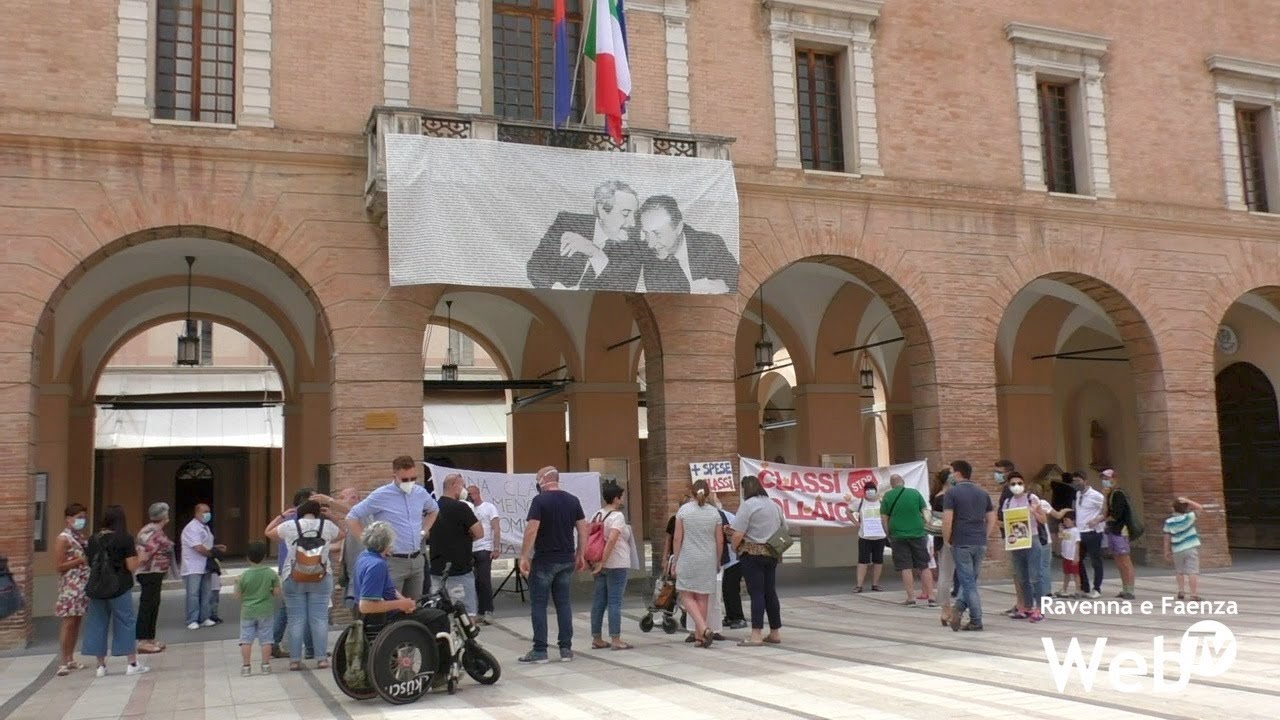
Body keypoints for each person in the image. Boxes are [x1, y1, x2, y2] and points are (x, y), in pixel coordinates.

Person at [517, 466, 587, 664]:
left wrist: (524, 556)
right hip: (566, 560)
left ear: (543, 480)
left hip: (545, 560)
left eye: (537, 478)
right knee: (563, 604)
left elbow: (532, 529)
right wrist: (581, 554)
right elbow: (583, 529)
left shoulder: (540, 501)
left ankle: (540, 650)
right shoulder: (573, 500)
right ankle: (566, 649)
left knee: (539, 605)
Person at [346, 456, 440, 600]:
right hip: (392, 561)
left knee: (414, 608)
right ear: (394, 476)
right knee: (391, 608)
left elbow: (434, 509)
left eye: (413, 478)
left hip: (416, 558)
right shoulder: (381, 494)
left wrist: (424, 530)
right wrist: (370, 544)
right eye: (405, 479)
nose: (409, 482)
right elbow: (352, 516)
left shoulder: (420, 492)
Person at [267, 499, 344, 671]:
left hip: (293, 576)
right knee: (319, 619)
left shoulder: (290, 526)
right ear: (318, 512)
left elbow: (268, 533)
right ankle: (321, 659)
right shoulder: (327, 527)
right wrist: (332, 517)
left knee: (296, 619)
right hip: (321, 576)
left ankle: (294, 660)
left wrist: (281, 516)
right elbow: (343, 534)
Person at [526, 180, 645, 291]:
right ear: (602, 210)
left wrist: (596, 253)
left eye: (635, 215)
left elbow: (623, 290)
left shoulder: (635, 245)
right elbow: (535, 268)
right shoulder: (567, 222)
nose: (633, 223)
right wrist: (560, 290)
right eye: (625, 214)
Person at [82, 505, 149, 677]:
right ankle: (131, 663)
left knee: (97, 624)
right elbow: (131, 566)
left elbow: (89, 562)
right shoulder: (124, 539)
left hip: (97, 588)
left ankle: (100, 666)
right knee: (126, 623)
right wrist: (141, 558)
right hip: (119, 587)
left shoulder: (93, 539)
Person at [637, 194, 739, 294]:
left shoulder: (710, 244)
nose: (650, 244)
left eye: (657, 234)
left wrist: (726, 288)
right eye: (646, 233)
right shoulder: (651, 259)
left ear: (678, 228)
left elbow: (739, 283)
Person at [730, 475, 784, 647]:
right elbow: (785, 528)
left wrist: (734, 547)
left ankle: (756, 635)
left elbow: (738, 533)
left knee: (757, 593)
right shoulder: (774, 505)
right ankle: (775, 632)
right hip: (772, 553)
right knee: (770, 592)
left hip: (752, 555)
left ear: (746, 489)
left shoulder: (748, 506)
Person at [942, 460, 995, 632]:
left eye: (951, 471)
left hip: (961, 541)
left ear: (957, 473)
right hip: (979, 541)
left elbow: (947, 519)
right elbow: (991, 519)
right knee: (970, 580)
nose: (949, 475)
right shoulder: (982, 493)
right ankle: (958, 607)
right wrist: (984, 535)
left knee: (968, 583)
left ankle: (976, 619)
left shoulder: (952, 493)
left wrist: (946, 539)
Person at [672, 480, 723, 648]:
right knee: (703, 597)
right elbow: (719, 540)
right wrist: (718, 560)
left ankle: (702, 629)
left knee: (686, 594)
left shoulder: (683, 511)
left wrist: (676, 560)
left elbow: (678, 538)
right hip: (708, 559)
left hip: (688, 557)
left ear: (692, 493)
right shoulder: (715, 513)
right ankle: (700, 636)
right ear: (708, 493)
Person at [427, 473, 483, 617]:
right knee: (465, 615)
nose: (465, 490)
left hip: (437, 569)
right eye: (463, 486)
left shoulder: (433, 508)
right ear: (454, 486)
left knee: (438, 613)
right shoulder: (461, 508)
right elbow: (479, 532)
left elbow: (426, 534)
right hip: (459, 571)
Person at [589, 483, 634, 651]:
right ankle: (616, 639)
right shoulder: (617, 517)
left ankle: (597, 638)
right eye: (622, 496)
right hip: (616, 563)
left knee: (599, 601)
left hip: (599, 564)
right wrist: (603, 560)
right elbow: (613, 539)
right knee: (615, 601)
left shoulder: (597, 515)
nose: (623, 499)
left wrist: (597, 562)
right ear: (616, 498)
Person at [880, 474, 935, 607]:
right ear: (903, 482)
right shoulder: (915, 493)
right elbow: (926, 512)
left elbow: (883, 519)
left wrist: (888, 534)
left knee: (905, 567)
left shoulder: (887, 496)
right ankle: (932, 597)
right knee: (924, 566)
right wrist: (927, 528)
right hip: (918, 533)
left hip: (898, 536)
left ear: (892, 484)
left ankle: (911, 598)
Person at [1001, 472, 1048, 623]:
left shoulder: (1032, 499)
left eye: (1019, 483)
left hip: (1032, 539)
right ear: (1009, 486)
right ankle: (1027, 607)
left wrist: (1034, 511)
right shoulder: (1007, 502)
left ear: (1024, 484)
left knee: (1036, 575)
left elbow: (1043, 519)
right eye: (1013, 483)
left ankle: (1040, 608)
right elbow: (1003, 523)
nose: (1017, 486)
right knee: (1021, 576)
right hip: (1016, 541)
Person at [235, 541, 281, 676]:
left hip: (247, 611)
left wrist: (239, 587)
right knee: (266, 639)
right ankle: (266, 665)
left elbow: (237, 596)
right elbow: (277, 592)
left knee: (246, 640)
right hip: (266, 610)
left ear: (248, 557)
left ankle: (246, 667)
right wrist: (269, 591)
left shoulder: (243, 576)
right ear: (265, 556)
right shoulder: (271, 574)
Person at [53, 503, 90, 676]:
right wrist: (78, 561)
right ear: (69, 519)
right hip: (70, 585)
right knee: (68, 622)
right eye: (78, 517)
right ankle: (62, 661)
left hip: (82, 584)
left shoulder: (80, 537)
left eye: (83, 517)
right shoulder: (63, 538)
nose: (82, 520)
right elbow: (59, 565)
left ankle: (71, 657)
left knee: (77, 622)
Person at [134, 502, 175, 655]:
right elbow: (145, 552)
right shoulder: (150, 531)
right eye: (166, 512)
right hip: (148, 572)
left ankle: (150, 637)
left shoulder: (158, 530)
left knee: (154, 604)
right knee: (147, 604)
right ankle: (142, 640)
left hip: (156, 572)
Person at [180, 503, 224, 630]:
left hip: (205, 565)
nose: (207, 514)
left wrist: (216, 548)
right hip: (193, 566)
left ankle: (204, 618)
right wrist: (212, 554)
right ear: (197, 513)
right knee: (193, 594)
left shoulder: (205, 527)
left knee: (206, 592)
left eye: (208, 511)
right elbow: (198, 547)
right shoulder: (192, 528)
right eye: (204, 511)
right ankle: (192, 619)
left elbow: (207, 544)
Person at [709, 492, 744, 633]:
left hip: (732, 557)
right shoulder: (723, 515)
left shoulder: (722, 516)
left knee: (731, 589)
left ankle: (738, 617)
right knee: (726, 588)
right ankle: (730, 616)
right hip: (729, 557)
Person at [1100, 468, 1138, 599]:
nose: (1105, 481)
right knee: (1118, 560)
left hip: (1120, 531)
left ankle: (1131, 589)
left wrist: (1105, 518)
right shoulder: (1109, 494)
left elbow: (1115, 514)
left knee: (1125, 560)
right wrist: (1105, 497)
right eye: (1103, 479)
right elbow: (1105, 512)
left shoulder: (1119, 494)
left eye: (1107, 479)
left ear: (1114, 479)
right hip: (1112, 530)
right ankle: (1124, 588)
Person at [467, 484, 501, 625]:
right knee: (472, 582)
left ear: (478, 493)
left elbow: (496, 528)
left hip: (484, 548)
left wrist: (496, 547)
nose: (471, 497)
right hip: (470, 549)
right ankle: (478, 611)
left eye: (472, 494)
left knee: (484, 580)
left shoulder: (489, 507)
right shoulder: (467, 508)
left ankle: (488, 610)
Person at [992, 459, 1022, 615]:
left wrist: (1000, 523)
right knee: (1016, 572)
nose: (996, 475)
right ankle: (1020, 603)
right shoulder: (1006, 490)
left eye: (999, 472)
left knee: (1019, 571)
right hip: (1010, 536)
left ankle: (1023, 604)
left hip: (1015, 536)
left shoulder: (1011, 491)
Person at [1072, 471, 1107, 598]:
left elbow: (1106, 508)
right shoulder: (1078, 494)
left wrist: (1097, 519)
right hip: (1080, 532)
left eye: (1078, 481)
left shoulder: (1095, 495)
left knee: (1095, 560)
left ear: (1085, 480)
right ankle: (1084, 587)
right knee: (1078, 560)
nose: (1076, 483)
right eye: (1074, 481)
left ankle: (1097, 588)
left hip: (1093, 532)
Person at [1163, 496, 1204, 601]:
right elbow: (1200, 507)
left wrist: (1166, 551)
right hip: (1190, 548)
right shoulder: (1189, 517)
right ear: (1186, 508)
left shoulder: (1169, 522)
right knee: (1192, 572)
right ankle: (1193, 594)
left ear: (1173, 508)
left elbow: (1167, 537)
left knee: (1179, 571)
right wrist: (1188, 501)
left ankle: (1181, 591)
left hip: (1177, 549)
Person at [853, 481, 886, 593]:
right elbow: (848, 511)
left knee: (878, 561)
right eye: (868, 489)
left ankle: (875, 584)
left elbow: (887, 515)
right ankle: (859, 585)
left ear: (876, 491)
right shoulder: (860, 502)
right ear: (864, 491)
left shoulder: (882, 502)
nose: (870, 491)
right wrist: (856, 523)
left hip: (880, 536)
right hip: (864, 537)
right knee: (863, 561)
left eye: (872, 489)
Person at [335, 487, 364, 618]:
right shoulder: (350, 520)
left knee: (360, 610)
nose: (339, 502)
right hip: (352, 573)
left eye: (342, 498)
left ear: (353, 499)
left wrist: (329, 501)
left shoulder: (362, 515)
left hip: (361, 572)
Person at [1055, 511, 1081, 598]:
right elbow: (1060, 540)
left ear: (1073, 520)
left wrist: (1076, 556)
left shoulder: (1075, 531)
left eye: (1067, 520)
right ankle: (1064, 589)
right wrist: (1060, 531)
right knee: (1066, 573)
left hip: (1072, 556)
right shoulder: (1065, 531)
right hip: (1065, 555)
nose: (1065, 522)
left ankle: (1078, 590)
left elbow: (1077, 543)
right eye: (1064, 521)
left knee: (1075, 574)